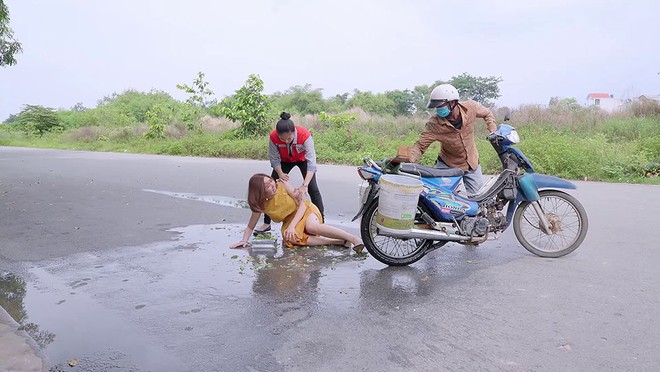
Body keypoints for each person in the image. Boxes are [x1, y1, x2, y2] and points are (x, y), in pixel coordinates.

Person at [230, 173, 364, 253]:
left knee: (311, 227)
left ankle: (354, 239)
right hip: (289, 221)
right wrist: (244, 240)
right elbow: (250, 226)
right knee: (291, 240)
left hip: (305, 209)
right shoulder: (261, 205)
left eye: (271, 181)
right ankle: (340, 242)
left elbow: (302, 204)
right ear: (260, 192)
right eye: (267, 186)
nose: (272, 186)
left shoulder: (281, 184)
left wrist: (293, 225)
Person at [406, 83, 496, 194]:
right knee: (439, 199)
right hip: (447, 166)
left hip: (471, 164)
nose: (438, 109)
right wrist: (406, 160)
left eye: (440, 106)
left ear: (452, 102)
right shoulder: (434, 124)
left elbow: (487, 113)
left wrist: (492, 128)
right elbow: (419, 146)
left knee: (478, 200)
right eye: (436, 107)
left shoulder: (471, 107)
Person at [253, 112, 324, 235]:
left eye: (289, 139)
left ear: (294, 132)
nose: (286, 142)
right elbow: (274, 158)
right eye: (282, 139)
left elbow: (312, 164)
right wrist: (280, 173)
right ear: (278, 135)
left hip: (303, 160)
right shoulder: (273, 137)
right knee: (269, 186)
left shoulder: (304, 135)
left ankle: (321, 223)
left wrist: (305, 184)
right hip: (284, 161)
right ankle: (266, 223)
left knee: (313, 189)